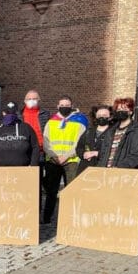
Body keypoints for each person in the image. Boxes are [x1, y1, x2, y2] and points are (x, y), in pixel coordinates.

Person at [42, 95, 88, 224]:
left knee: (71, 190)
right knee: (51, 192)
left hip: (71, 161)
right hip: (53, 161)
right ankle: (46, 218)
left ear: (71, 106)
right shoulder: (51, 121)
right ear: (57, 106)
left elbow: (80, 142)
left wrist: (66, 156)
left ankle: (70, 218)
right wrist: (54, 156)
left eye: (67, 105)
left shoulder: (80, 121)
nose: (64, 107)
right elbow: (46, 141)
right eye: (62, 105)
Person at [0, 101, 40, 167]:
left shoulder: (26, 128)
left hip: (22, 171)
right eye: (7, 113)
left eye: (13, 113)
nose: (10, 115)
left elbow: (35, 147)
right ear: (3, 113)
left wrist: (33, 166)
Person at [97, 97, 138, 169]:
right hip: (106, 171)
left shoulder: (136, 130)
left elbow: (136, 155)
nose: (120, 111)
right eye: (118, 109)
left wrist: (119, 167)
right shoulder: (110, 130)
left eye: (124, 109)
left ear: (130, 112)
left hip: (124, 172)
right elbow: (103, 153)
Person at [76, 104, 113, 176]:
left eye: (105, 115)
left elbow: (115, 151)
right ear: (95, 117)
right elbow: (79, 147)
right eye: (99, 115)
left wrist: (97, 153)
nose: (101, 117)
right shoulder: (89, 131)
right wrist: (83, 154)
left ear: (110, 117)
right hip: (86, 169)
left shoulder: (113, 132)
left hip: (104, 170)